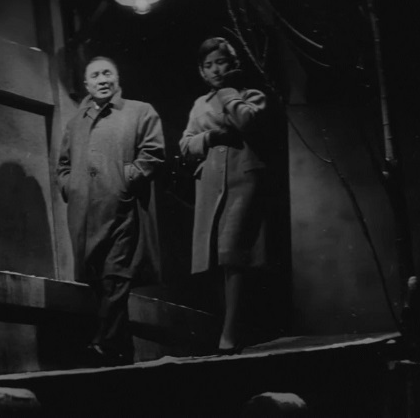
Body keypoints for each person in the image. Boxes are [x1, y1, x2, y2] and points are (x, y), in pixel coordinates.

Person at [57, 56, 164, 366]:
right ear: (86, 84)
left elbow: (153, 153)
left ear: (117, 79)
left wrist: (127, 179)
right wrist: (72, 188)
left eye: (107, 73)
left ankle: (102, 344)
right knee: (99, 282)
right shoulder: (75, 123)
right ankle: (121, 356)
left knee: (116, 276)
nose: (102, 79)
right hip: (85, 215)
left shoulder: (139, 111)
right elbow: (63, 165)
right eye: (95, 75)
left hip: (122, 210)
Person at [179, 37, 271, 355]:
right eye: (209, 65)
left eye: (221, 62)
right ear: (202, 72)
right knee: (216, 259)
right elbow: (185, 144)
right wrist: (210, 137)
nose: (215, 70)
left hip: (242, 180)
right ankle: (229, 328)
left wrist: (229, 94)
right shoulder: (199, 105)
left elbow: (247, 121)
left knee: (233, 255)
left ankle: (230, 333)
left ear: (233, 64)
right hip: (209, 183)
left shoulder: (251, 95)